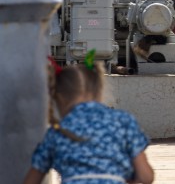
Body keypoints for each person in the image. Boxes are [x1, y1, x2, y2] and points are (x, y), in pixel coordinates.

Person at [23, 61, 154, 184]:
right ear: (99, 91)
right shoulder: (124, 122)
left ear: (59, 98)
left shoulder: (57, 131)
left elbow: (32, 180)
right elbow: (146, 176)